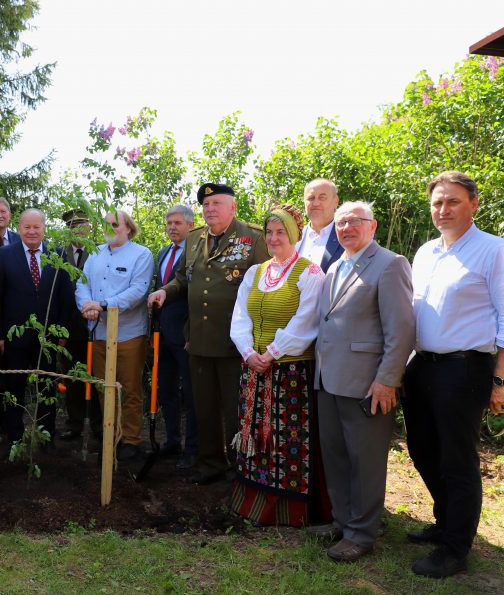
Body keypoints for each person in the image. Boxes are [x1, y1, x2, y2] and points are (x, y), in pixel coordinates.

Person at [404, 171, 504, 578]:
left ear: (473, 203)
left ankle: (455, 548)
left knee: (458, 459)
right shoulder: (425, 252)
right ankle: (445, 521)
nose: (443, 209)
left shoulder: (496, 251)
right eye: (437, 202)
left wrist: (502, 380)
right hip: (422, 366)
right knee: (422, 449)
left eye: (452, 201)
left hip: (465, 367)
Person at [311, 201, 414, 561]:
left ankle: (362, 533)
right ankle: (342, 522)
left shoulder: (390, 264)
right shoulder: (336, 266)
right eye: (341, 224)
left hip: (366, 383)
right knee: (336, 457)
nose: (347, 228)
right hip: (328, 379)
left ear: (373, 226)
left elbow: (400, 330)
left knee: (365, 461)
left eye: (355, 221)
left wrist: (387, 380)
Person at [148, 183, 269, 484]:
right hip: (199, 339)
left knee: (236, 409)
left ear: (233, 208)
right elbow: (182, 280)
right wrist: (165, 291)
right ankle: (211, 464)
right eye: (206, 204)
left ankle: (244, 468)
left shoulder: (253, 238)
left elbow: (265, 286)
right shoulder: (194, 239)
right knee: (204, 408)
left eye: (217, 203)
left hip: (235, 343)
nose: (210, 209)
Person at [227, 204, 330, 526]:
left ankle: (289, 509)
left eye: (280, 232)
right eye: (269, 232)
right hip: (254, 369)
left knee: (287, 440)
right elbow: (240, 317)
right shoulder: (256, 272)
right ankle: (253, 500)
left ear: (294, 235)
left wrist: (270, 353)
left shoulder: (311, 273)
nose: (273, 238)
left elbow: (306, 323)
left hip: (290, 372)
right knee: (255, 433)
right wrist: (248, 352)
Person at [0, 209, 72, 444]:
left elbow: (65, 295)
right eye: (27, 227)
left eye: (37, 227)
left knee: (47, 387)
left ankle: (46, 440)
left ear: (44, 227)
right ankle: (15, 437)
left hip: (49, 336)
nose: (32, 231)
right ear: (19, 228)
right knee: (14, 387)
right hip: (15, 337)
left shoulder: (57, 255)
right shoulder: (5, 254)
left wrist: (63, 330)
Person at [76, 210, 153, 460]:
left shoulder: (141, 255)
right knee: (103, 387)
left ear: (128, 228)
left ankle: (130, 439)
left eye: (115, 225)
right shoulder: (94, 253)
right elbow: (81, 284)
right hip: (98, 333)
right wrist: (87, 305)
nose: (111, 229)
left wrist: (104, 304)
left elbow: (138, 291)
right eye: (106, 225)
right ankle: (111, 434)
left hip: (129, 334)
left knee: (130, 388)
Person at [154, 205, 199, 470]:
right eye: (169, 223)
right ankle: (172, 440)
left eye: (178, 223)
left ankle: (192, 448)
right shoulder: (163, 253)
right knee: (166, 390)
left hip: (187, 336)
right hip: (164, 334)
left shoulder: (198, 253)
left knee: (191, 394)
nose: (172, 227)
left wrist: (191, 332)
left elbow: (197, 297)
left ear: (190, 225)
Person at [58, 209, 97, 442]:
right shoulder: (58, 254)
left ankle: (97, 425)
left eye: (83, 226)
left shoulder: (100, 252)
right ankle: (74, 424)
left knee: (95, 376)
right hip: (68, 328)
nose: (79, 230)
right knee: (71, 377)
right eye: (74, 227)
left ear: (89, 229)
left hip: (95, 325)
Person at [297, 179, 343, 272]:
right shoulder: (293, 238)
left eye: (322, 198)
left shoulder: (347, 237)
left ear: (336, 201)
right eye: (311, 198)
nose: (316, 203)